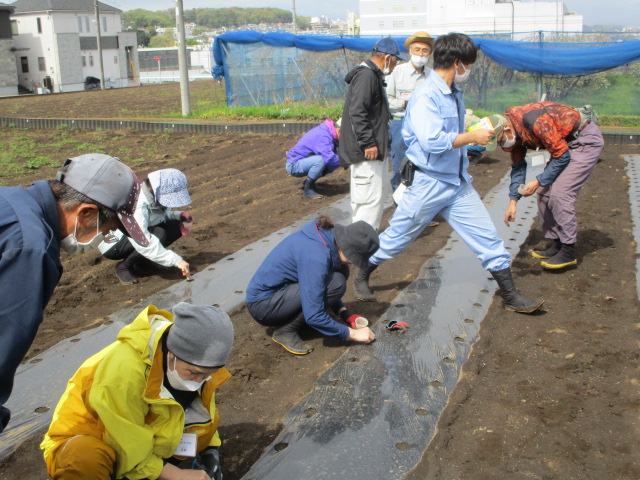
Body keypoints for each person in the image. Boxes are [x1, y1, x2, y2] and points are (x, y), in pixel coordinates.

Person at [352, 33, 544, 315]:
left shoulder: (454, 93)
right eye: (469, 64)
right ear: (458, 63)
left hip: (457, 183)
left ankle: (512, 296)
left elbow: (459, 131)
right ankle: (362, 273)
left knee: (487, 238)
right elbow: (432, 141)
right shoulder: (426, 96)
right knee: (397, 238)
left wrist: (482, 131)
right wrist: (471, 136)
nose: (470, 70)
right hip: (428, 183)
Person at [0, 153, 148, 434]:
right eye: (109, 229)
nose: (105, 238)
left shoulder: (8, 200)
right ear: (86, 213)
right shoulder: (29, 249)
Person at [41, 302, 233, 480]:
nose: (199, 381)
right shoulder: (122, 373)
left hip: (135, 441)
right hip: (94, 439)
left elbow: (200, 415)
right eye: (194, 373)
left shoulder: (194, 367)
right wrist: (179, 475)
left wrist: (209, 448)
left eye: (208, 374)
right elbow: (125, 446)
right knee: (86, 457)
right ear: (172, 353)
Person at [246, 215, 379, 355]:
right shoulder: (316, 257)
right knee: (337, 282)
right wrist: (352, 333)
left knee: (339, 273)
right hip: (263, 305)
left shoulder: (326, 238)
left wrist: (344, 314)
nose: (352, 262)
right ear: (346, 246)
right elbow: (314, 313)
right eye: (354, 257)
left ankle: (301, 322)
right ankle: (285, 330)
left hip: (282, 294)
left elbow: (320, 284)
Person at [495, 102, 604, 270]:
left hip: (583, 140)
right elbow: (518, 167)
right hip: (564, 145)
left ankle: (568, 251)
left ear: (507, 130)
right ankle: (558, 243)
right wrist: (513, 201)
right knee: (544, 194)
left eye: (501, 140)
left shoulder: (536, 122)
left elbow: (562, 156)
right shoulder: (514, 131)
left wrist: (539, 180)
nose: (502, 145)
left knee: (560, 194)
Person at [339, 37, 406, 230]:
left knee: (374, 195)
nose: (395, 65)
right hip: (366, 152)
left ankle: (365, 238)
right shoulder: (367, 76)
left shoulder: (373, 76)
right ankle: (360, 244)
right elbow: (357, 111)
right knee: (367, 199)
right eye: (395, 60)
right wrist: (368, 142)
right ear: (388, 57)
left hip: (374, 150)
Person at [99, 168, 193, 285]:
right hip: (113, 243)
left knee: (175, 225)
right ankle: (123, 267)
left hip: (135, 233)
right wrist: (177, 261)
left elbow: (157, 216)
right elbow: (143, 240)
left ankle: (143, 262)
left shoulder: (153, 196)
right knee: (159, 234)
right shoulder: (137, 204)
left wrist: (178, 216)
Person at [386, 31, 434, 191]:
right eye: (417, 50)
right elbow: (387, 100)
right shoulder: (397, 72)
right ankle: (398, 198)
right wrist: (406, 103)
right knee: (400, 162)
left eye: (425, 51)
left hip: (424, 126)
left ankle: (418, 196)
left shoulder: (432, 76)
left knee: (423, 163)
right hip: (401, 123)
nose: (421, 54)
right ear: (410, 51)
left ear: (429, 54)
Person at [286, 118, 342, 199]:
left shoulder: (328, 131)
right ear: (339, 130)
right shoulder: (324, 135)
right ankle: (308, 189)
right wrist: (344, 161)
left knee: (332, 160)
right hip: (294, 165)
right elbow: (328, 158)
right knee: (322, 160)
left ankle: (310, 183)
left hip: (303, 161)